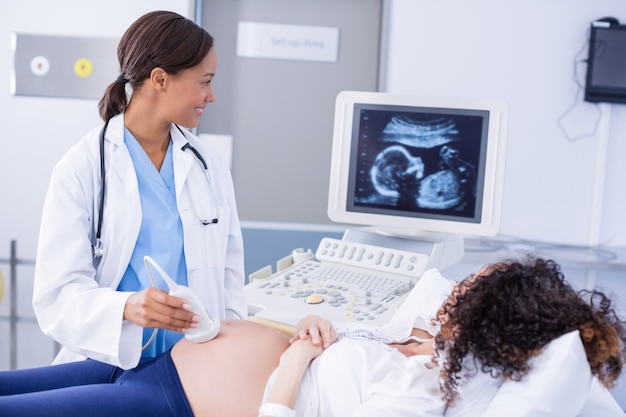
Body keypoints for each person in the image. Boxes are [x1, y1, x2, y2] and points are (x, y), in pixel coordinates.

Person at [4, 256, 624, 416]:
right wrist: (311, 328)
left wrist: (296, 360)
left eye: (470, 288)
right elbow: (338, 351)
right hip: (147, 366)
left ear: (487, 317)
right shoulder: (419, 345)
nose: (456, 288)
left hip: (166, 405)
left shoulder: (427, 395)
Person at [32, 10, 246, 370]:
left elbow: (229, 275)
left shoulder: (207, 166)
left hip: (195, 366)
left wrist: (232, 349)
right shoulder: (82, 168)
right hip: (106, 361)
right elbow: (56, 296)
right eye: (204, 81)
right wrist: (127, 307)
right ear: (160, 79)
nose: (211, 96)